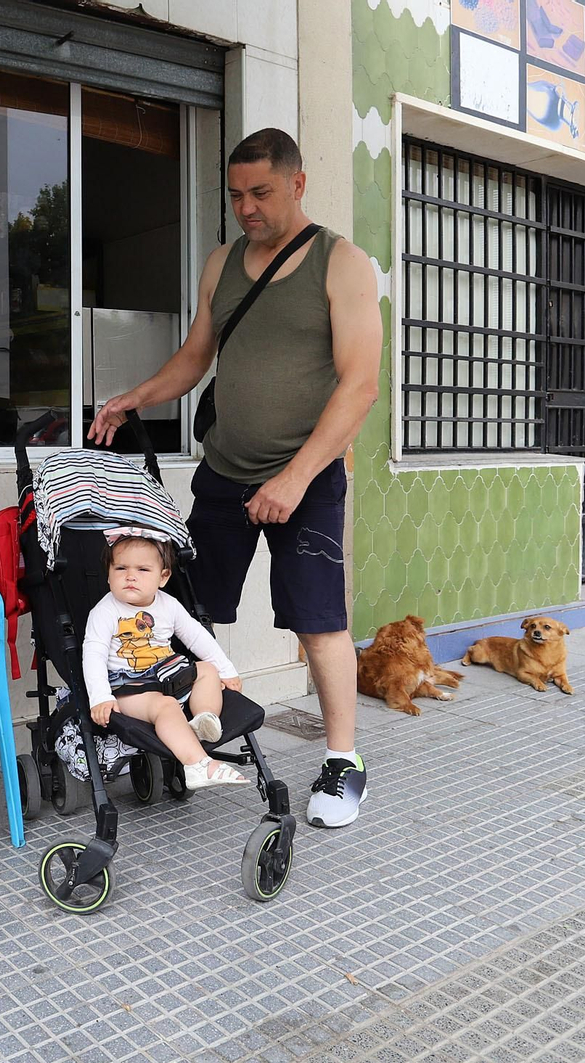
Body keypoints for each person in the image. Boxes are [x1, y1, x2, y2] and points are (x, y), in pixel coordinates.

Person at [88, 128, 382, 829]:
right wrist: (136, 397)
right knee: (187, 603)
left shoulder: (341, 263)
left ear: (297, 184)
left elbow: (361, 385)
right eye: (236, 195)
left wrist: (296, 478)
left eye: (261, 193)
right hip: (224, 470)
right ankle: (182, 726)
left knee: (319, 620)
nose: (246, 207)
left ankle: (342, 760)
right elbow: (197, 354)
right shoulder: (222, 262)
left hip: (305, 478)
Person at [82, 532, 247, 789]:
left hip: (168, 673)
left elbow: (197, 637)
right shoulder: (105, 612)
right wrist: (100, 697)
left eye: (143, 569)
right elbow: (93, 654)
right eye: (121, 568)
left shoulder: (168, 605)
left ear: (163, 577)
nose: (130, 576)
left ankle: (203, 719)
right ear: (109, 574)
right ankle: (198, 765)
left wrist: (226, 670)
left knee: (207, 669)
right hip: (131, 688)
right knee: (165, 705)